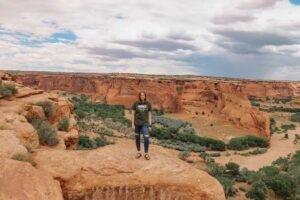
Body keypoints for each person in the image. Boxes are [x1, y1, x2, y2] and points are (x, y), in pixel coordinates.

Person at [131, 91, 152, 160]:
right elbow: (132, 114)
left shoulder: (148, 104)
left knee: (146, 137)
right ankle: (139, 152)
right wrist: (132, 125)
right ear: (139, 96)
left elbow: (149, 114)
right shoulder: (136, 103)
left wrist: (150, 125)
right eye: (141, 95)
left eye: (143, 95)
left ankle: (146, 153)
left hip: (145, 124)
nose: (142, 96)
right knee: (137, 138)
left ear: (145, 96)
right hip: (137, 123)